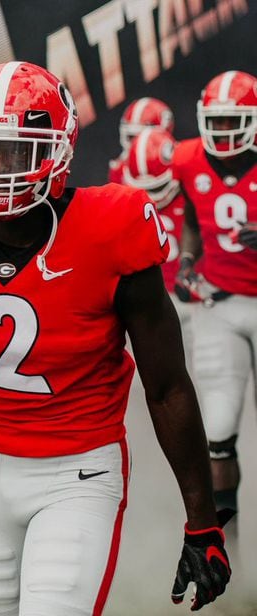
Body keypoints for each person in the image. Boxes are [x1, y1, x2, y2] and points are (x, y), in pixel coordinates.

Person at [0, 61, 231, 614]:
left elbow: (167, 387)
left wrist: (202, 522)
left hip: (79, 473)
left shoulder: (113, 224)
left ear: (57, 152)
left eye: (14, 151)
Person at [173, 69, 257, 543]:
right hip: (221, 305)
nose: (224, 132)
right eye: (217, 121)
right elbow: (190, 213)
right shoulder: (187, 159)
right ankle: (231, 553)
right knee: (219, 427)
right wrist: (187, 260)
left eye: (234, 121)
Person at [122, 127, 194, 353]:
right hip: (148, 296)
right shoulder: (118, 186)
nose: (151, 197)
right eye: (143, 189)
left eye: (157, 187)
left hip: (190, 297)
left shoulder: (192, 179)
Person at [108, 97, 174, 184]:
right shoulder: (119, 171)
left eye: (139, 136)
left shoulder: (180, 160)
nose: (136, 143)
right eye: (130, 137)